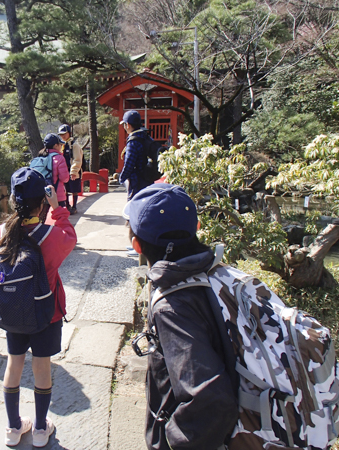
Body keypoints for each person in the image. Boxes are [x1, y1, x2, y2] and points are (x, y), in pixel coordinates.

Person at [123, 183, 238, 450]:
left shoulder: (172, 308)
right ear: (196, 228)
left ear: (137, 246)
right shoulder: (217, 273)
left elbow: (210, 401)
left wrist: (170, 438)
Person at [0, 167, 76, 447]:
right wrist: (59, 208)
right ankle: (41, 430)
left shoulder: (2, 232)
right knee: (42, 367)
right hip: (46, 312)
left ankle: (13, 428)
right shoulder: (50, 237)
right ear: (42, 202)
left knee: (13, 363)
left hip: (13, 311)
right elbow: (70, 237)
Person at [119, 110, 151, 200]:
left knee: (134, 206)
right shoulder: (146, 137)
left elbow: (129, 163)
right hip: (148, 178)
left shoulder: (133, 141)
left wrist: (122, 178)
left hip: (136, 182)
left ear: (128, 125)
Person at [58, 124, 83, 215]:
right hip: (64, 171)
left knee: (74, 189)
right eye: (61, 134)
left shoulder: (74, 145)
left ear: (69, 133)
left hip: (72, 170)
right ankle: (67, 205)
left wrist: (74, 171)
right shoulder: (61, 146)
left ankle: (74, 207)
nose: (63, 136)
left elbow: (77, 159)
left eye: (64, 133)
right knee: (65, 189)